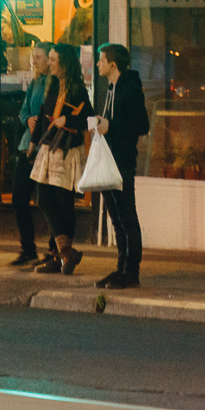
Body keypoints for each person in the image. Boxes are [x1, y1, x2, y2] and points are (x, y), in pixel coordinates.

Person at [28, 43, 89, 275]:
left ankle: (58, 256)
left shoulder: (77, 89)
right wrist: (33, 142)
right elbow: (43, 113)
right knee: (44, 198)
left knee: (63, 203)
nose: (50, 64)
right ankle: (65, 253)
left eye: (53, 60)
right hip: (48, 148)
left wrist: (67, 120)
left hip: (66, 150)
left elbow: (88, 117)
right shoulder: (52, 84)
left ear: (64, 63)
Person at [93, 42, 150, 289]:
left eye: (101, 60)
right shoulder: (111, 88)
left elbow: (142, 125)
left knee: (127, 216)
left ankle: (132, 272)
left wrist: (111, 126)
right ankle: (121, 269)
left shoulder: (130, 88)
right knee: (116, 218)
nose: (98, 64)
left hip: (122, 162)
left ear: (113, 64)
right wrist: (101, 123)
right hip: (109, 161)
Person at [8, 45, 51, 267]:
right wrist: (28, 119)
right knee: (19, 197)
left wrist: (39, 120)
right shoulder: (35, 83)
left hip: (45, 145)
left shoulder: (54, 83)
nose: (34, 61)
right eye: (33, 57)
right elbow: (24, 110)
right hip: (28, 144)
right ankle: (28, 248)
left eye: (39, 57)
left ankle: (55, 249)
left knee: (48, 200)